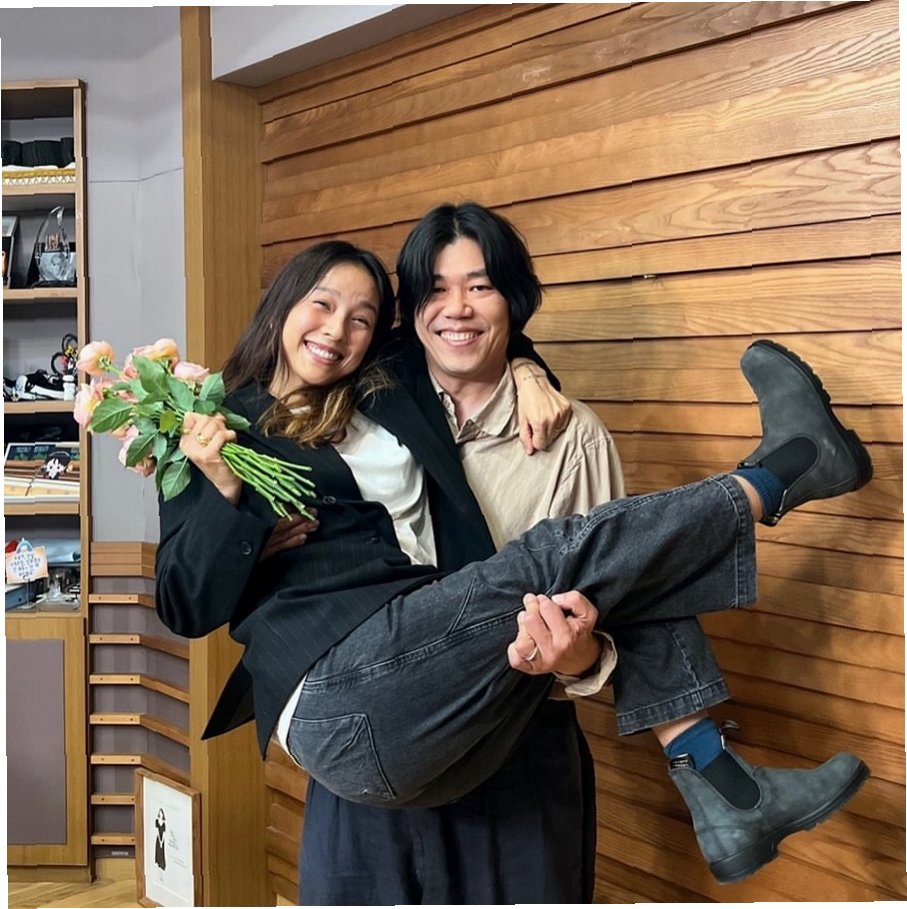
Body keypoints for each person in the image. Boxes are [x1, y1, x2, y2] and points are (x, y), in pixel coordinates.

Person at [155, 238, 871, 889]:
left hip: (435, 689)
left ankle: (723, 788)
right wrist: (225, 495)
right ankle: (786, 470)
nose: (337, 330)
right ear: (282, 305)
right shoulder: (213, 428)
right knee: (556, 552)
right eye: (321, 305)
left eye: (362, 318)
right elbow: (184, 604)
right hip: (339, 691)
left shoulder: (383, 386)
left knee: (620, 570)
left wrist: (528, 371)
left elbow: (469, 336)